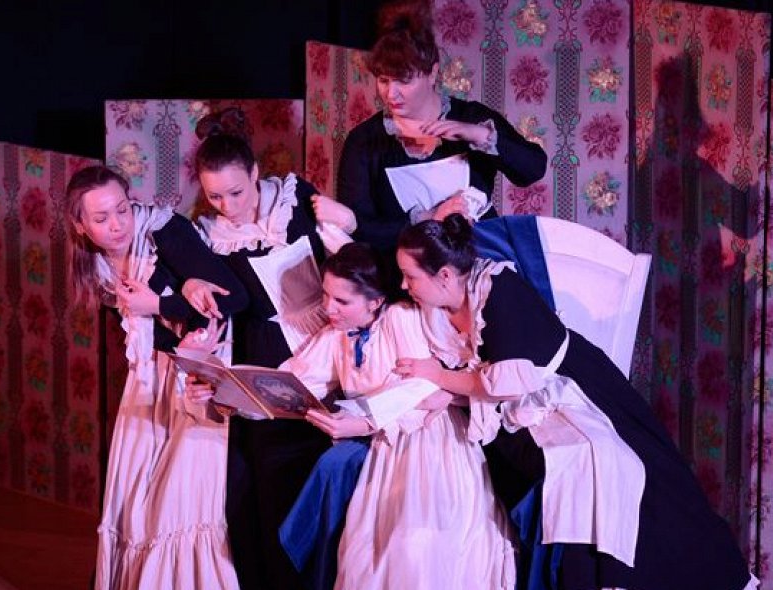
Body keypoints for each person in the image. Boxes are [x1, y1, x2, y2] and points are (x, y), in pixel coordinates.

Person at [394, 215, 758, 590]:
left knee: (617, 465)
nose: (404, 285)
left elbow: (508, 380)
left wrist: (439, 377)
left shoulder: (498, 289)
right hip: (521, 411)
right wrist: (447, 391)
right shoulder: (435, 310)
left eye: (410, 276)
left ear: (445, 276)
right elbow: (481, 378)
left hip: (574, 387)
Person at [268, 243, 516, 589]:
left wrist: (364, 422)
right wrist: (231, 394)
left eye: (341, 301)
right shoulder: (336, 335)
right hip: (386, 448)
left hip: (430, 439)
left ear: (375, 302)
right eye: (325, 295)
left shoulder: (400, 318)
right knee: (363, 556)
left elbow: (422, 390)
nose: (328, 308)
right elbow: (293, 380)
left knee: (414, 544)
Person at [67, 165, 248, 590]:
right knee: (135, 502)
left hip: (195, 378)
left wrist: (159, 305)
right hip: (150, 378)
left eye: (122, 209)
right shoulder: (98, 264)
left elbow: (233, 298)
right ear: (80, 226)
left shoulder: (164, 233)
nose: (117, 225)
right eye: (101, 218)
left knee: (179, 503)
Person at [190, 108, 333, 590]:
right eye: (215, 196)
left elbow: (343, 255)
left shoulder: (295, 198)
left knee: (322, 472)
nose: (227, 206)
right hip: (264, 354)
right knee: (271, 480)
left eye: (236, 192)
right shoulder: (210, 236)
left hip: (325, 339)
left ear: (255, 173)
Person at [323, 0, 547, 258]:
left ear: (432, 73)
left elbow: (532, 169)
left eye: (403, 81)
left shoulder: (472, 118)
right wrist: (427, 218)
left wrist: (479, 135)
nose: (391, 94)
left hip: (481, 263)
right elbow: (359, 228)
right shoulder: (364, 141)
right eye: (383, 81)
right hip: (407, 271)